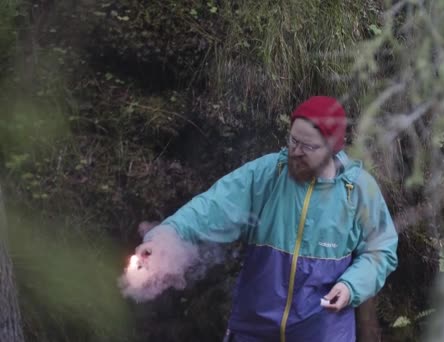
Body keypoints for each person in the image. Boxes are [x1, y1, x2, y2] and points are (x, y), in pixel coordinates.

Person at [136, 96, 398, 342]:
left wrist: (351, 286)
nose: (296, 152)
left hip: (323, 332)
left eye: (308, 146)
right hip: (255, 329)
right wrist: (164, 238)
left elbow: (381, 250)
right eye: (293, 141)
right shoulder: (266, 174)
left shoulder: (359, 189)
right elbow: (211, 207)